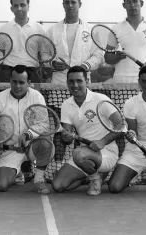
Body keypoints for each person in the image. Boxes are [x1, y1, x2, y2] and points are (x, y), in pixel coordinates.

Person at [52, 66, 121, 196]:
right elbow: (67, 135)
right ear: (67, 83)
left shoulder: (101, 100)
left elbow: (122, 126)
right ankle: (94, 175)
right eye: (71, 81)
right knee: (58, 186)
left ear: (87, 81)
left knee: (78, 153)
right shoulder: (66, 105)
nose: (75, 85)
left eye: (79, 81)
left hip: (106, 153)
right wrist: (66, 137)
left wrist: (103, 141)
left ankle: (95, 179)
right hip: (84, 155)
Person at [0, 65, 54, 194]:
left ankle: (38, 179)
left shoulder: (37, 97)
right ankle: (21, 172)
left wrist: (27, 135)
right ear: (10, 81)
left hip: (33, 147)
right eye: (14, 82)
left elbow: (44, 125)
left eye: (21, 82)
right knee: (1, 185)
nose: (17, 86)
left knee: (46, 140)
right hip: (11, 151)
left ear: (28, 83)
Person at [104, 0, 146, 83]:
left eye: (135, 1)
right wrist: (116, 57)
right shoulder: (115, 28)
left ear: (141, 3)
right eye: (128, 2)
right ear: (124, 5)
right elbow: (107, 57)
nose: (132, 5)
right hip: (121, 80)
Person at [46, 0, 103, 85]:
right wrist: (53, 63)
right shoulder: (52, 30)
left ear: (79, 4)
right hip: (59, 81)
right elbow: (45, 54)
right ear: (63, 5)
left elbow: (98, 56)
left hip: (83, 81)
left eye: (73, 2)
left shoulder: (91, 30)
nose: (70, 5)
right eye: (67, 2)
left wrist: (85, 66)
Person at [0, 0, 46, 83]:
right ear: (11, 8)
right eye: (16, 5)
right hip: (7, 73)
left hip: (32, 72)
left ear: (28, 6)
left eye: (22, 5)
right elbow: (0, 52)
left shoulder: (39, 29)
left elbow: (43, 54)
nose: (19, 9)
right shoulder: (3, 29)